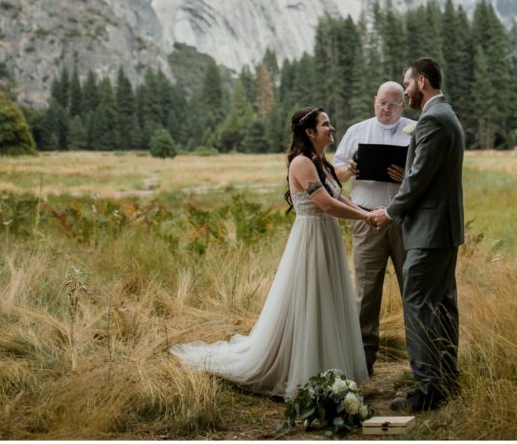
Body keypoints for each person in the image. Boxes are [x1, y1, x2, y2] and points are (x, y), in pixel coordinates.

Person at [170, 107, 379, 398]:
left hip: (327, 237)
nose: (331, 128)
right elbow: (327, 205)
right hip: (310, 240)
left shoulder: (321, 162)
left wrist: (368, 211)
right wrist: (368, 219)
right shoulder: (302, 163)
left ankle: (328, 368)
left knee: (327, 300)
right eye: (325, 124)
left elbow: (338, 196)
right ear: (309, 132)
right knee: (310, 301)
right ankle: (303, 372)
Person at [370, 57, 465, 413]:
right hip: (443, 229)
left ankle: (429, 389)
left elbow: (419, 177)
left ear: (421, 81)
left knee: (419, 304)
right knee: (442, 306)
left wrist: (390, 213)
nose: (405, 90)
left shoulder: (433, 120)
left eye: (406, 84)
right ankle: (446, 378)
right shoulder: (447, 116)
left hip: (429, 231)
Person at [331, 81, 414, 377]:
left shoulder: (415, 130)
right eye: (382, 103)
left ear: (402, 105)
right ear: (373, 101)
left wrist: (407, 175)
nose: (386, 109)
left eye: (393, 105)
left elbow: (426, 174)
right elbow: (334, 173)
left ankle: (418, 360)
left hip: (404, 219)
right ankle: (363, 362)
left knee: (412, 289)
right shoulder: (357, 131)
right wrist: (349, 169)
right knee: (366, 293)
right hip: (366, 219)